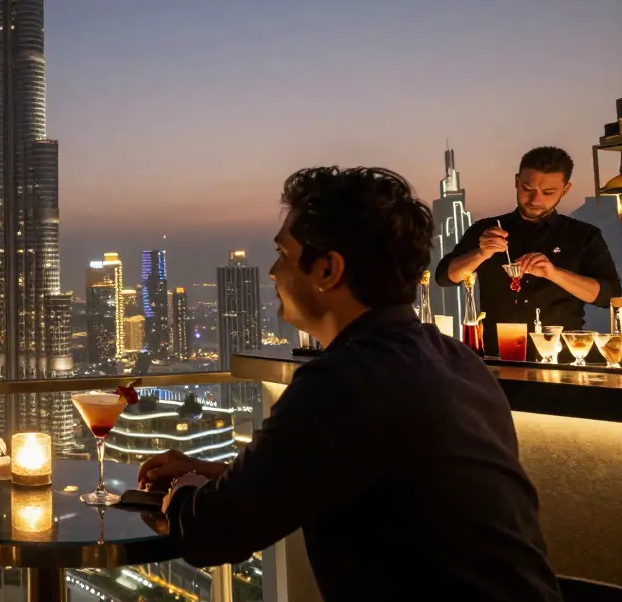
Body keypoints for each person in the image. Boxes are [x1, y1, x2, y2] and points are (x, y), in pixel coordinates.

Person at [139, 167, 561, 601]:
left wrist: (183, 494)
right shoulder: (456, 360)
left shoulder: (343, 381)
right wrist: (224, 475)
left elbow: (213, 533)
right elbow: (360, 473)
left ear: (327, 270)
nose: (271, 272)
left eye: (283, 254)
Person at [437, 146, 619, 359]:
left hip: (563, 358)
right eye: (527, 188)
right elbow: (445, 277)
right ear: (516, 181)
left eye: (548, 192)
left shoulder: (583, 235)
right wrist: (481, 253)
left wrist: (554, 273)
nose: (535, 200)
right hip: (498, 357)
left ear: (566, 189)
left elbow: (610, 296)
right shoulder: (486, 230)